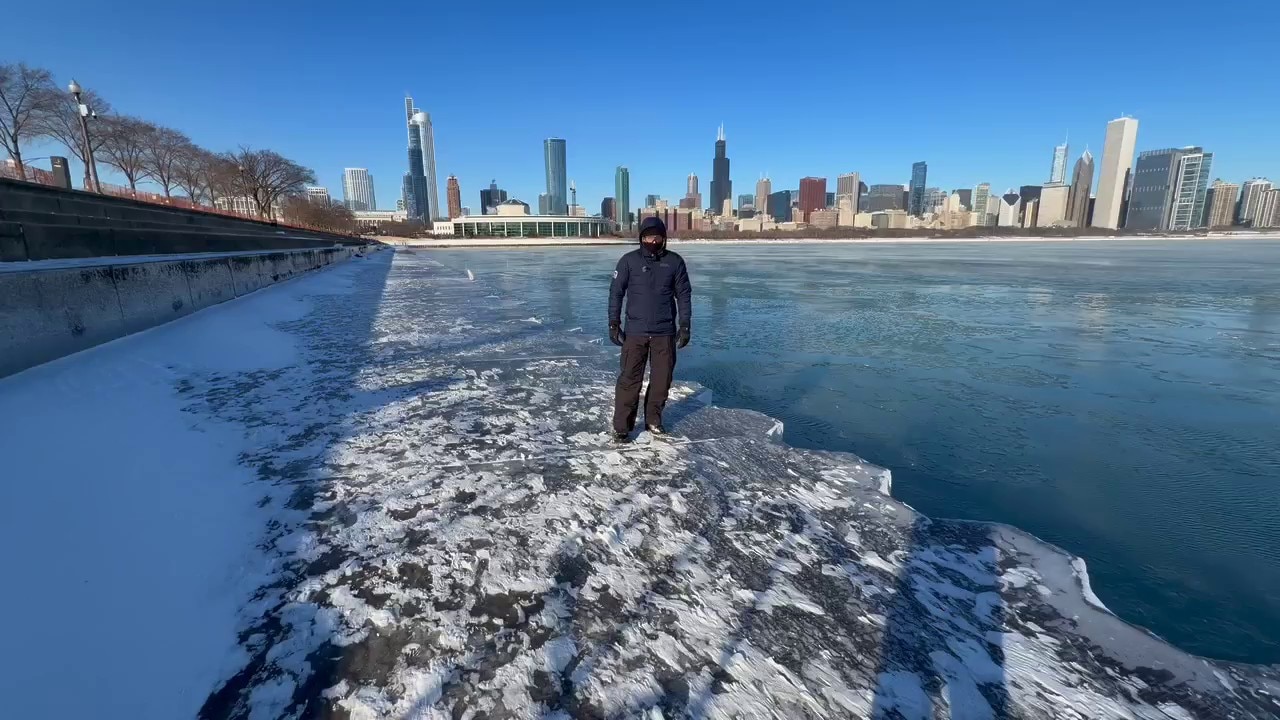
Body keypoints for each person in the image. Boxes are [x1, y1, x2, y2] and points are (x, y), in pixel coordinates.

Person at [608, 216, 692, 441]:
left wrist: (685, 325)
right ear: (641, 238)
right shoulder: (628, 261)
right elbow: (616, 293)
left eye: (657, 237)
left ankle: (653, 420)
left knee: (662, 380)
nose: (652, 241)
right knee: (629, 379)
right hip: (635, 332)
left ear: (664, 238)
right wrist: (613, 323)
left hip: (664, 332)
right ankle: (622, 427)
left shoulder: (674, 262)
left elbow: (684, 295)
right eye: (647, 237)